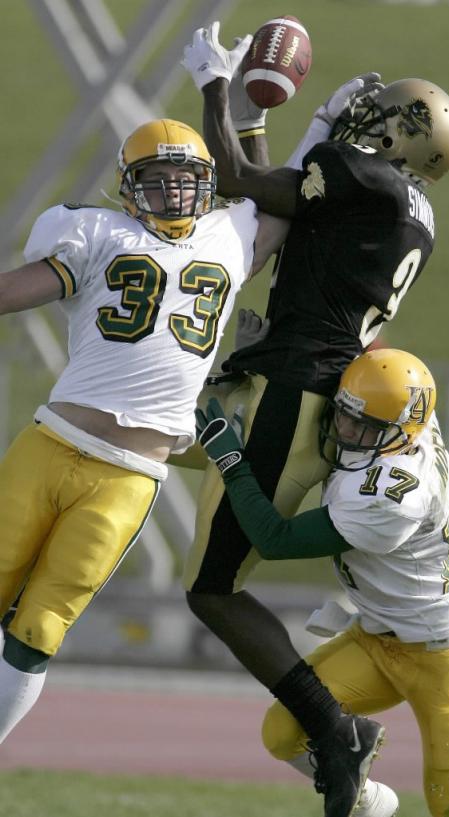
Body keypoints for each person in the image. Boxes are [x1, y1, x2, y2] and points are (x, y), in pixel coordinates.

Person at [180, 21, 449, 817]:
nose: (364, 119)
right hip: (305, 383)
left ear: (399, 134)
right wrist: (288, 127)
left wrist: (214, 82)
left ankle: (335, 734)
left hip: (291, 390)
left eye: (383, 115)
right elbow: (289, 198)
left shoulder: (357, 177)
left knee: (212, 592)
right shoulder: (406, 209)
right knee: (154, 428)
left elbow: (240, 179)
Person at [0, 117, 287, 745]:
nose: (174, 193)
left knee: (41, 628)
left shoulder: (230, 237)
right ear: (128, 187)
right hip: (52, 444)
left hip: (130, 476)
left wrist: (268, 115)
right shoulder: (97, 231)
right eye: (156, 180)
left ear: (208, 185)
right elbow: (17, 290)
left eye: (186, 180)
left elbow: (277, 198)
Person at [195, 347, 449, 817]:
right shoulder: (410, 421)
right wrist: (271, 346)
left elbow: (275, 539)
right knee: (283, 733)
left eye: (365, 427)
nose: (347, 431)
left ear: (399, 435)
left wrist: (233, 463)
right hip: (374, 640)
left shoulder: (393, 496)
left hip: (444, 651)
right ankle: (370, 803)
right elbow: (372, 359)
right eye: (346, 415)